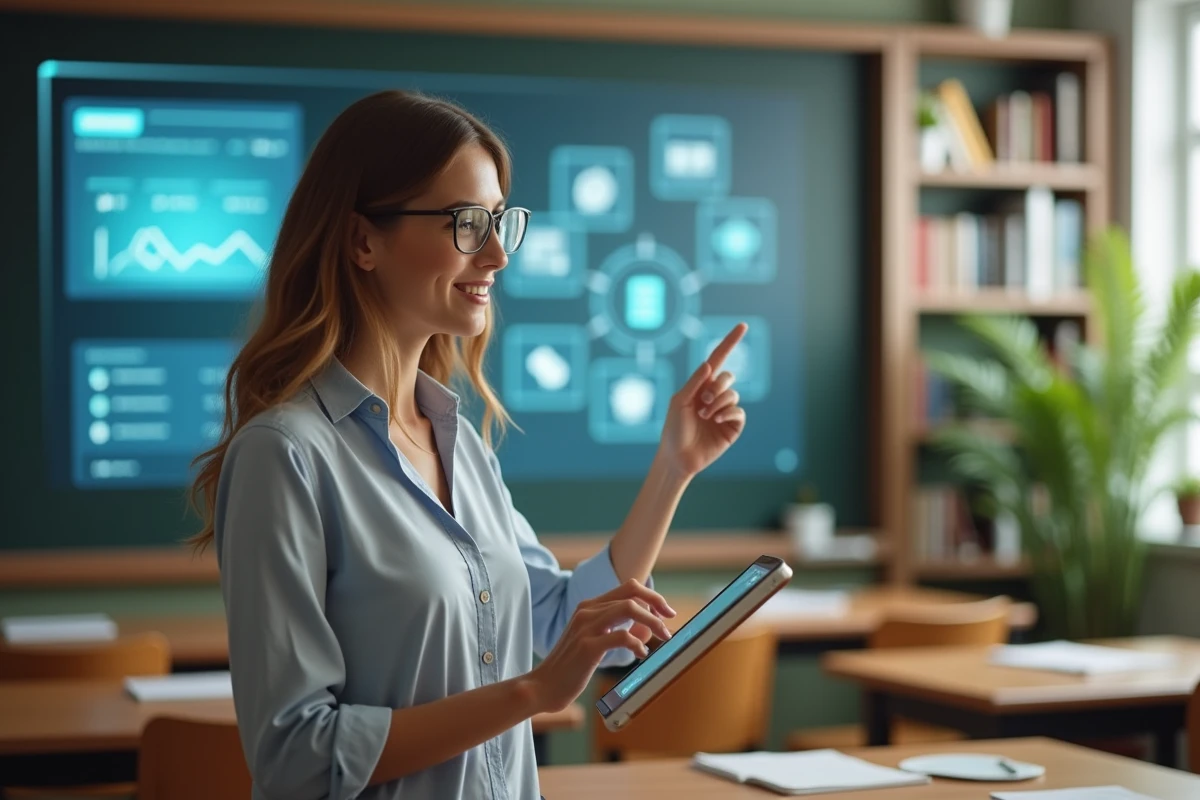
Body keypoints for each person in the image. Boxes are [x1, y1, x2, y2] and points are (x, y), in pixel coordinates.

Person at [189, 89, 748, 800]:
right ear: (363, 240)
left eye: (500, 224)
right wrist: (531, 694)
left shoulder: (461, 445)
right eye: (464, 223)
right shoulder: (285, 456)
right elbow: (299, 755)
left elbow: (554, 620)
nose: (495, 255)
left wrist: (675, 466)